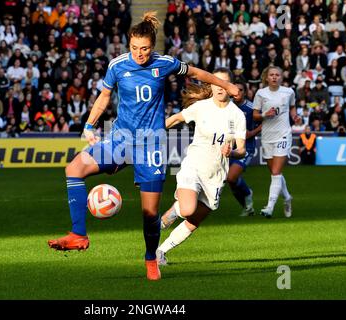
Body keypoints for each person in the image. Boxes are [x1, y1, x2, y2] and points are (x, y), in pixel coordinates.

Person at [47, 12, 240, 281]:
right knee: (74, 168)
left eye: (145, 48)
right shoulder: (116, 66)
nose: (140, 54)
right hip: (120, 139)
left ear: (153, 46)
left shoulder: (165, 63)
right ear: (129, 45)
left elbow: (196, 72)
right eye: (135, 48)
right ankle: (79, 235)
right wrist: (89, 126)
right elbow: (104, 97)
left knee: (150, 214)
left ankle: (151, 259)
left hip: (151, 146)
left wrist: (226, 84)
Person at [155, 68, 246, 265]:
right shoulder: (202, 107)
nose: (221, 87)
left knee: (194, 221)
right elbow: (177, 118)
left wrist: (232, 152)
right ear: (211, 85)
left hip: (215, 177)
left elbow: (242, 150)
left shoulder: (237, 115)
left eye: (225, 83)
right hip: (193, 167)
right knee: (188, 209)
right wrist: (154, 132)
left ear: (230, 87)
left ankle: (161, 251)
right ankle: (172, 213)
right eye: (217, 82)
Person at [252, 66, 297, 218]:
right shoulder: (260, 93)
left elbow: (292, 107)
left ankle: (269, 207)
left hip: (283, 134)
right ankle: (287, 198)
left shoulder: (289, 91)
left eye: (277, 75)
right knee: (274, 172)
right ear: (266, 78)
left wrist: (295, 116)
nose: (274, 77)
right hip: (267, 136)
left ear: (281, 78)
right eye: (271, 75)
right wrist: (265, 114)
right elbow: (255, 115)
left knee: (276, 172)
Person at [226, 80, 262, 217]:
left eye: (241, 89)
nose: (237, 92)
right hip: (229, 148)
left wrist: (253, 132)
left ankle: (248, 193)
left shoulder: (251, 109)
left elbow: (263, 123)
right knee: (231, 182)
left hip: (246, 148)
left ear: (245, 92)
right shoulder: (227, 106)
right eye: (235, 89)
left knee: (231, 177)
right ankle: (247, 208)